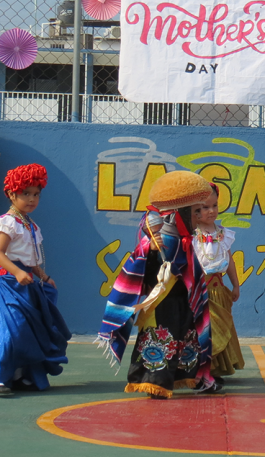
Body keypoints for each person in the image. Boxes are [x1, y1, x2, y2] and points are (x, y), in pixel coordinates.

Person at [96, 170, 217, 398]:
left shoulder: (185, 240)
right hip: (161, 303)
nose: (200, 216)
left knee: (183, 337)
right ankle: (154, 382)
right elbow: (142, 270)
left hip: (182, 302)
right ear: (180, 214)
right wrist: (152, 251)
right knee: (160, 337)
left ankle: (180, 378)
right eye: (195, 212)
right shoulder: (158, 240)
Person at [0, 164, 69, 394]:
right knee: (11, 328)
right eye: (26, 194)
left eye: (36, 194)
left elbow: (30, 259)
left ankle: (21, 375)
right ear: (11, 194)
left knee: (28, 330)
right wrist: (16, 272)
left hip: (26, 284)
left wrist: (43, 275)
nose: (32, 199)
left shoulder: (31, 225)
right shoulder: (7, 222)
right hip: (6, 283)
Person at [191, 184, 244, 381]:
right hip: (199, 291)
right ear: (194, 210)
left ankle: (215, 369)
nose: (211, 211)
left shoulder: (222, 233)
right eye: (205, 207)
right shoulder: (191, 234)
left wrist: (235, 284)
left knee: (221, 328)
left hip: (218, 290)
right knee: (205, 329)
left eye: (214, 205)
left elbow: (228, 259)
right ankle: (200, 369)